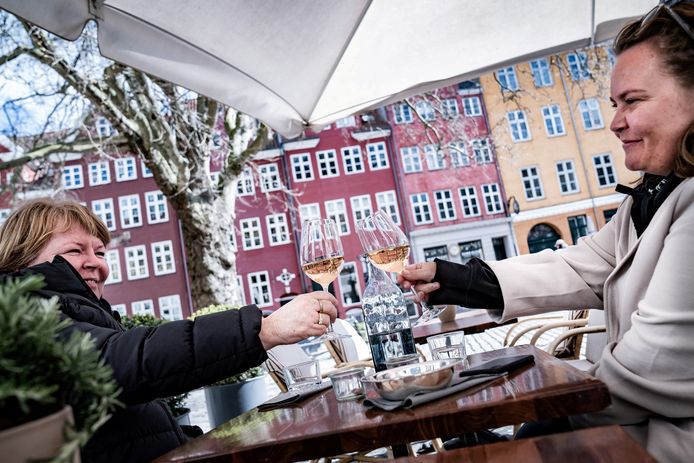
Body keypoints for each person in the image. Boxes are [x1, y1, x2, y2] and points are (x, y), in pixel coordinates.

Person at [398, 2, 694, 461]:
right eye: (614, 104)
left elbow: (646, 371)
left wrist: (544, 422)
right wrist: (459, 280)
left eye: (632, 101)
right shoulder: (660, 191)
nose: (615, 122)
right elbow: (585, 265)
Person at [0, 198, 338, 463]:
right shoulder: (23, 318)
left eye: (100, 252)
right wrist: (264, 329)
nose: (96, 263)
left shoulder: (77, 314)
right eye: (75, 250)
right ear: (21, 260)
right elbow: (119, 361)